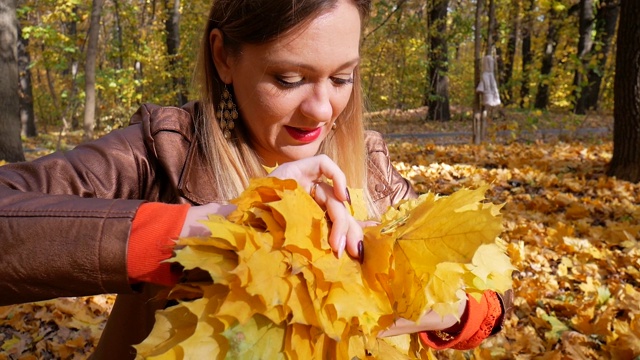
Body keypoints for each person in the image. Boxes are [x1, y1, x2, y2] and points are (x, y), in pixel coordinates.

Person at [0, 0, 512, 358]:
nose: (321, 109)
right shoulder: (164, 151)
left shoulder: (369, 162)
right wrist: (214, 228)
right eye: (288, 79)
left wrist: (446, 310)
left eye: (341, 77)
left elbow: (489, 294)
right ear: (224, 56)